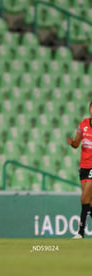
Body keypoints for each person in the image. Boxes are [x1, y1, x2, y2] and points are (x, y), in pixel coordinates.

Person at [67, 101, 92, 239]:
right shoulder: (83, 124)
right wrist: (72, 143)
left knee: (84, 198)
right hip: (83, 166)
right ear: (89, 109)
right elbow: (77, 144)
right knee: (89, 202)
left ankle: (80, 233)